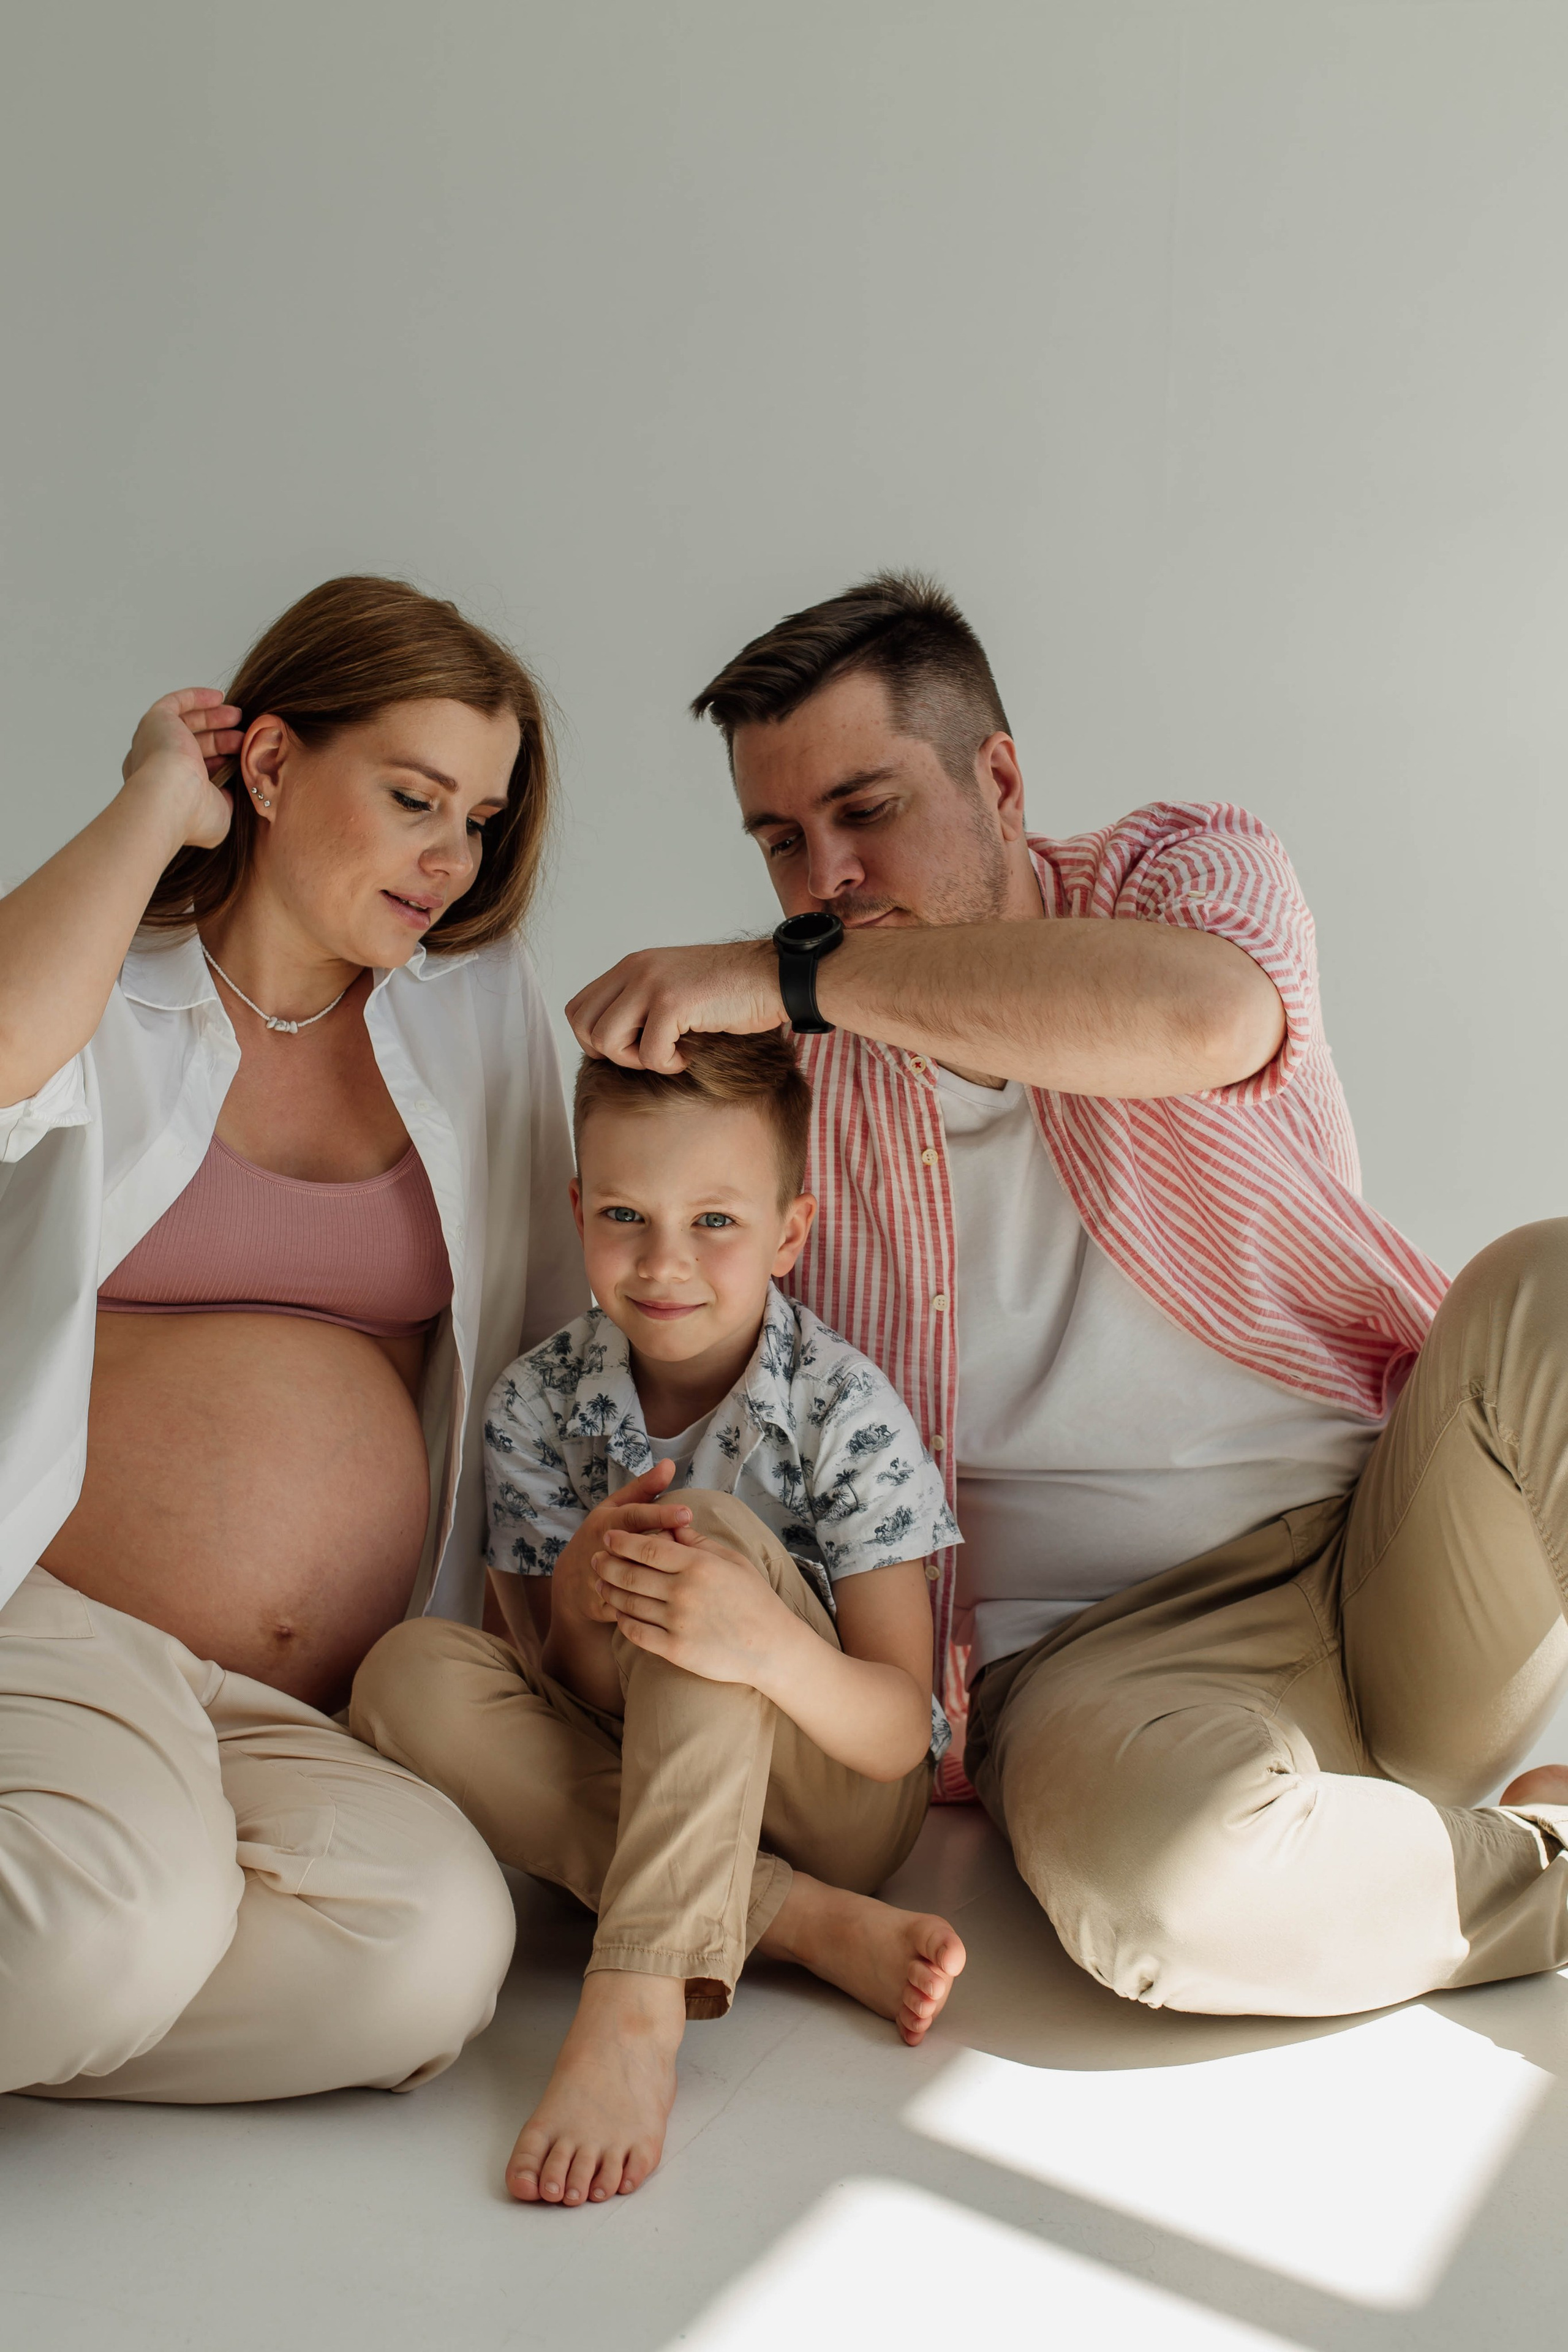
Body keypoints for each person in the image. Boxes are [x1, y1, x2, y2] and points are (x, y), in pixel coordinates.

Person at [564, 568, 1568, 2022]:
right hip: (1099, 1659)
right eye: (779, 842)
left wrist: (786, 976)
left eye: (867, 810)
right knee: (1164, 1900)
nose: (824, 879)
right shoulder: (781, 1092)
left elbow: (1204, 1020)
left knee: (1548, 1281)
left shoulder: (1182, 873)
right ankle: (1527, 1854)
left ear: (1001, 778)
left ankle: (1401, 1833)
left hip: (1398, 1545)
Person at [0, 574, 583, 2101]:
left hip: (301, 1702)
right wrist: (146, 807)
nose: (450, 858)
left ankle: (90, 1957)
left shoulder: (471, 1007)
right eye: (411, 798)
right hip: (59, 1624)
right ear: (265, 768)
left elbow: (552, 1321)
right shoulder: (110, 984)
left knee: (433, 1952)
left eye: (478, 818)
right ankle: (96, 1943)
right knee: (115, 1925)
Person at [352, 1031, 965, 2205]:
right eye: (625, 1216)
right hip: (645, 1776)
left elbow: (900, 1734)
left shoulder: (847, 1410)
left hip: (831, 1789)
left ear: (791, 1229)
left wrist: (767, 1645)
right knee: (403, 1675)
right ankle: (799, 1927)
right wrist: (583, 1599)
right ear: (579, 1209)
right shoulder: (537, 1402)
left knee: (710, 1537)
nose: (663, 1262)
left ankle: (637, 2002)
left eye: (717, 1223)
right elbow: (567, 1696)